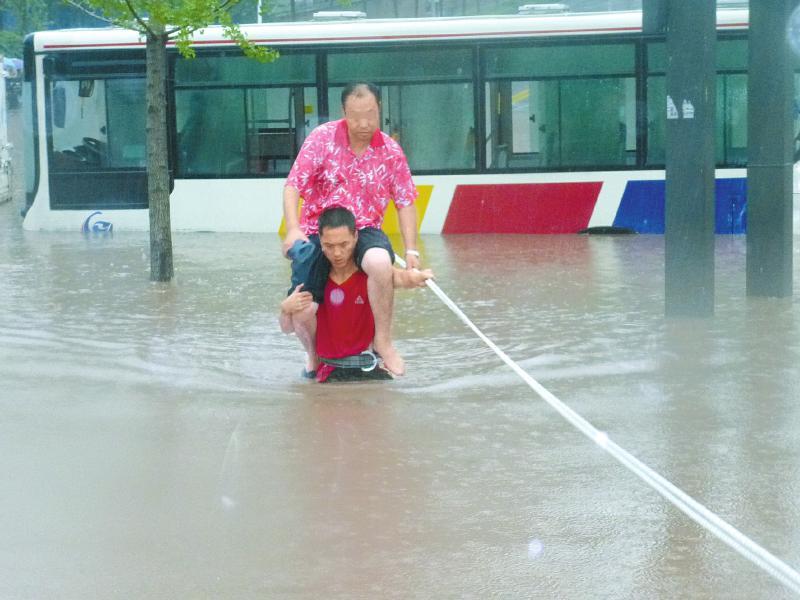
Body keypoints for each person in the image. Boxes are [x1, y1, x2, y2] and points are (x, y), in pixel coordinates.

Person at [281, 82, 420, 376]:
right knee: (302, 307)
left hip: (365, 229)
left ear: (379, 109)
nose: (363, 124)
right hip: (323, 229)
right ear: (343, 111)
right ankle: (314, 355)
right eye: (355, 117)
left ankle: (383, 341)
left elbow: (406, 201)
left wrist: (411, 251)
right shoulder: (322, 139)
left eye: (370, 115)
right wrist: (293, 228)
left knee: (380, 262)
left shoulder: (391, 152)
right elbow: (294, 184)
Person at [280, 207, 432, 383]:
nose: (337, 253)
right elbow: (287, 329)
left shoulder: (373, 276)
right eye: (329, 246)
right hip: (327, 375)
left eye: (344, 245)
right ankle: (312, 358)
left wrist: (417, 277)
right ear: (320, 241)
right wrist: (284, 310)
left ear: (356, 237)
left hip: (370, 370)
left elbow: (403, 278)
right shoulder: (312, 282)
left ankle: (384, 346)